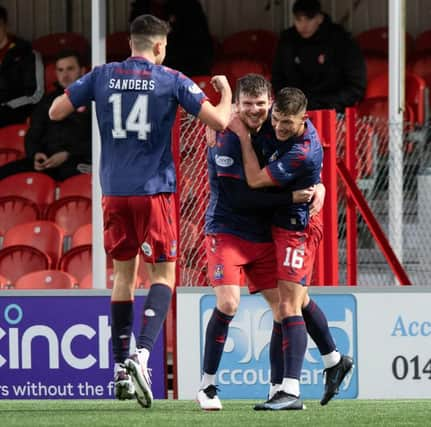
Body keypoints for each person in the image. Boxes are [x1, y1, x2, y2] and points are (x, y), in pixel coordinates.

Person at [49, 14, 232, 409]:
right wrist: (227, 92)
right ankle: (143, 356)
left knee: (123, 278)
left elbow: (55, 113)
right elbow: (219, 119)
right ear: (160, 47)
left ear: (131, 43)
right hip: (154, 192)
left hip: (114, 191)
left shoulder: (102, 74)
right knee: (164, 275)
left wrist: (86, 95)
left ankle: (118, 370)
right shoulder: (171, 78)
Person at [197, 74, 316, 411]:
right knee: (229, 304)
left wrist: (317, 186)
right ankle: (207, 385)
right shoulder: (226, 137)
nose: (254, 110)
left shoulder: (273, 127)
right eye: (247, 104)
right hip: (228, 230)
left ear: (270, 103)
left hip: (263, 234)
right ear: (237, 105)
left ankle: (278, 389)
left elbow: (306, 147)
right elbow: (240, 197)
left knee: (285, 309)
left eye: (260, 103)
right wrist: (292, 197)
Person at [231, 87, 353, 410]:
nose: (280, 127)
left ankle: (291, 391)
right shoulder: (270, 123)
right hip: (274, 226)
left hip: (296, 229)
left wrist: (242, 139)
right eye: (277, 119)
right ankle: (332, 361)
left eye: (288, 123)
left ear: (304, 119)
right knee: (291, 305)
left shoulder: (304, 151)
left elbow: (256, 181)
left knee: (287, 307)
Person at [0, 50, 91, 181]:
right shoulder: (47, 101)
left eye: (70, 69)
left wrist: (68, 154)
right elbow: (32, 135)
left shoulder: (93, 100)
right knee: (4, 173)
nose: (65, 75)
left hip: (77, 160)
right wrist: (36, 154)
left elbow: (99, 140)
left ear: (82, 71)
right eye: (60, 70)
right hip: (47, 162)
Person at [271, 0, 366, 113]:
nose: (303, 25)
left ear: (320, 18)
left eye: (309, 19)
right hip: (295, 111)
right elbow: (278, 79)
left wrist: (327, 105)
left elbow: (355, 86)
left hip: (334, 111)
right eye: (299, 19)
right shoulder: (287, 41)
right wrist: (291, 104)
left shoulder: (341, 40)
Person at [0, 6, 44, 127]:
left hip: (18, 110)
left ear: (5, 25)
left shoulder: (27, 52)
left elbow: (36, 94)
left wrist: (7, 106)